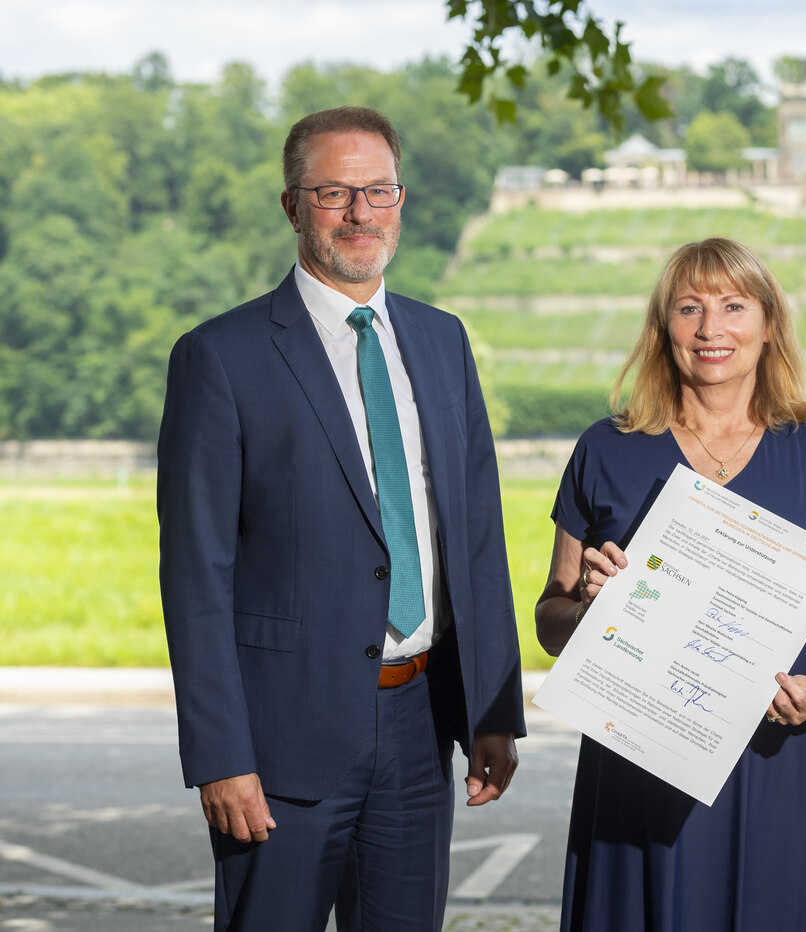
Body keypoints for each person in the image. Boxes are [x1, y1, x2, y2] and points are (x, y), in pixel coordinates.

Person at [156, 106, 525, 931]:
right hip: (281, 745)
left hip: (421, 726)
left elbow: (473, 538)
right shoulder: (221, 357)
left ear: (401, 199)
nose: (361, 213)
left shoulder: (441, 341)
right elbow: (196, 577)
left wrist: (494, 711)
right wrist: (221, 757)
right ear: (292, 206)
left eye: (378, 190)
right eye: (333, 192)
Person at [535, 237, 806, 931]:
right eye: (689, 308)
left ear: (769, 324)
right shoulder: (604, 450)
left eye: (734, 306)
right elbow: (551, 620)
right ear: (662, 326)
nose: (711, 330)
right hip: (639, 757)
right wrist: (584, 606)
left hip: (777, 756)